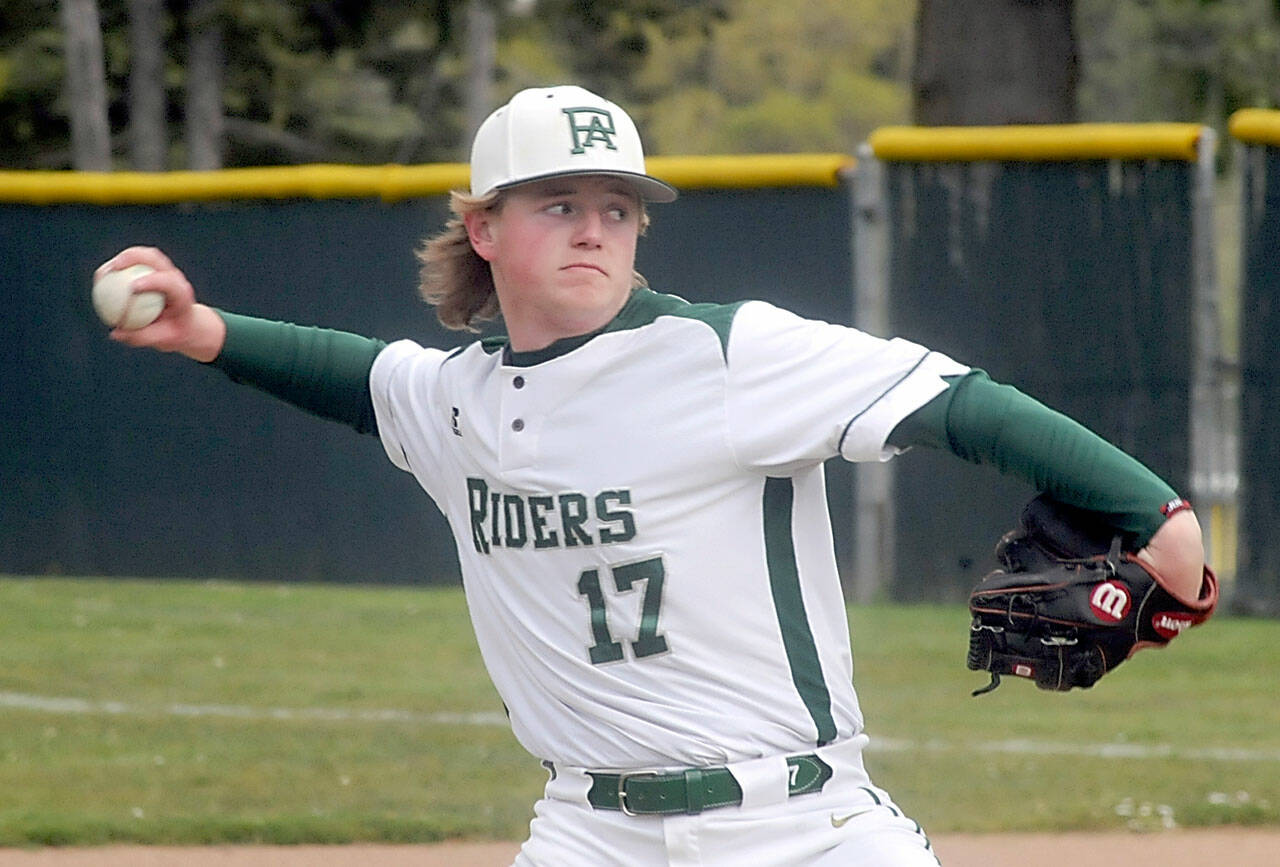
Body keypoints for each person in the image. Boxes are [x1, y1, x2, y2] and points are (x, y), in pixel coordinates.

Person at [101, 85, 1210, 866]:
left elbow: (962, 403)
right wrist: (203, 331)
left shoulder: (730, 354)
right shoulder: (457, 399)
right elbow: (355, 376)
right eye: (559, 205)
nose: (596, 230)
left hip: (798, 829)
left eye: (617, 208)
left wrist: (1152, 510)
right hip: (588, 832)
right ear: (483, 229)